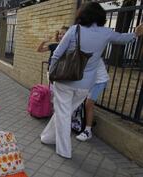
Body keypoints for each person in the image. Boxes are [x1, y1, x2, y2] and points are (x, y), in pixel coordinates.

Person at [40, 2, 143, 159]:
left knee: (63, 114)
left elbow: (56, 55)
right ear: (100, 16)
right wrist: (136, 33)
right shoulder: (106, 33)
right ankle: (48, 137)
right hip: (85, 86)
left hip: (65, 80)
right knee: (64, 113)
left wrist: (52, 75)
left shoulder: (75, 30)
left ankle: (64, 150)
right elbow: (123, 39)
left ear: (82, 15)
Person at [75, 60, 108, 141]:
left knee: (89, 104)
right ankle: (82, 123)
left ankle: (88, 131)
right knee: (84, 102)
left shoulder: (92, 54)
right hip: (91, 81)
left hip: (99, 81)